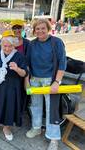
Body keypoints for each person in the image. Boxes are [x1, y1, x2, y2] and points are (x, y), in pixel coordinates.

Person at [25, 19, 66, 150]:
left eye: (43, 28)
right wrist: (27, 82)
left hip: (50, 80)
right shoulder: (32, 44)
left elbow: (62, 63)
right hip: (35, 79)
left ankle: (53, 138)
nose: (40, 31)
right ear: (34, 30)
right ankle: (36, 128)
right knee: (35, 105)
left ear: (48, 28)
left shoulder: (57, 42)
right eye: (37, 29)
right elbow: (26, 64)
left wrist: (57, 82)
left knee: (51, 109)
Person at [0, 30, 28, 141]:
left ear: (14, 45)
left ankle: (6, 128)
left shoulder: (19, 56)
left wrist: (17, 69)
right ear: (1, 45)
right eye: (5, 46)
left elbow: (25, 73)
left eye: (10, 46)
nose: (7, 48)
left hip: (11, 86)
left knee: (9, 105)